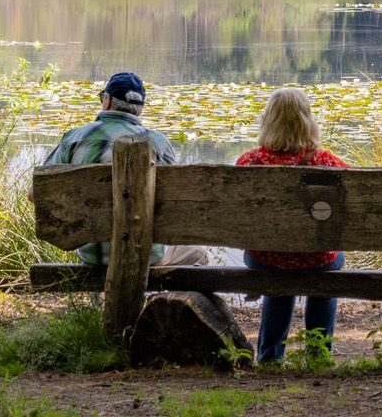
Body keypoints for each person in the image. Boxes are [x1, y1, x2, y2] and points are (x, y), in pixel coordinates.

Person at [41, 71, 206, 267]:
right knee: (197, 254)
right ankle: (167, 297)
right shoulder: (157, 142)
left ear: (107, 100)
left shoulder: (75, 138)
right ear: (139, 109)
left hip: (92, 254)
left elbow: (38, 193)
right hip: (146, 254)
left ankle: (102, 298)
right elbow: (177, 204)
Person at [235, 87, 348, 362]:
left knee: (279, 272)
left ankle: (271, 356)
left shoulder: (249, 162)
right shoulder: (326, 162)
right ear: (307, 121)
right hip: (317, 258)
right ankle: (319, 354)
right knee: (325, 270)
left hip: (265, 257)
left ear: (268, 121)